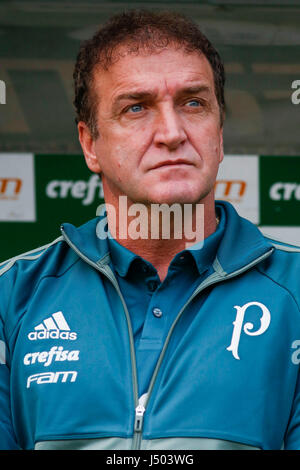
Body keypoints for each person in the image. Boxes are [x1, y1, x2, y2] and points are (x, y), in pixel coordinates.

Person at [0, 10, 300, 451]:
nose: (172, 132)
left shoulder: (294, 292)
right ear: (89, 144)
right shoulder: (12, 295)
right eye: (136, 107)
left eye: (194, 103)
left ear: (219, 136)